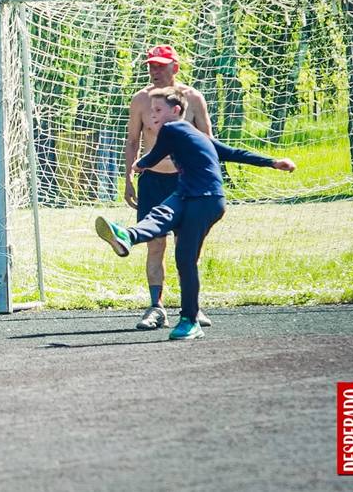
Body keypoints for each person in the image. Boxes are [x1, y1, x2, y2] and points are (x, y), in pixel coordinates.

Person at [96, 87, 296, 340]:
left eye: (158, 110)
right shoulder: (197, 136)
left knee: (184, 258)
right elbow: (234, 153)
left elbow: (154, 155)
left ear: (176, 111)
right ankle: (126, 236)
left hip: (205, 200)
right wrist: (272, 162)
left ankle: (190, 320)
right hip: (187, 194)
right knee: (160, 215)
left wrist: (141, 164)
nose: (153, 115)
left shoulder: (170, 129)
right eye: (151, 110)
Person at [124, 44, 214, 331]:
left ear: (175, 67)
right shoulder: (140, 100)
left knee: (188, 248)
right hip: (152, 181)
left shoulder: (193, 99)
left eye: (161, 65)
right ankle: (156, 307)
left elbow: (208, 141)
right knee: (155, 245)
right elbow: (132, 141)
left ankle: (192, 307)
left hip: (186, 182)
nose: (155, 70)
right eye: (151, 65)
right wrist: (128, 178)